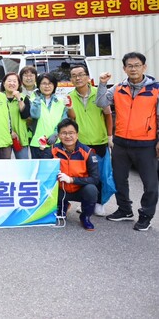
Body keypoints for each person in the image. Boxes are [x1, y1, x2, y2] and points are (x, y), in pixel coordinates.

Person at [96, 52, 159, 231]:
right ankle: (125, 210)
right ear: (124, 68)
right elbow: (100, 102)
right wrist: (102, 84)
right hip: (121, 143)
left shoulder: (155, 89)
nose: (133, 69)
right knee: (119, 179)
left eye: (137, 65)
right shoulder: (118, 88)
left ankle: (146, 216)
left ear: (144, 67)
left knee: (150, 184)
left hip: (146, 144)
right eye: (129, 66)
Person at [69, 63, 114, 216]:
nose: (78, 78)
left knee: (100, 175)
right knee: (83, 175)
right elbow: (70, 119)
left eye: (81, 74)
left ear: (88, 77)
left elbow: (108, 115)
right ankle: (86, 202)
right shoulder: (69, 97)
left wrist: (109, 136)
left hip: (99, 141)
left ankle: (100, 203)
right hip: (80, 143)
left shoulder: (99, 93)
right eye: (74, 76)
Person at [51, 118, 100, 231]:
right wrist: (42, 149)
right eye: (64, 133)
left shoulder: (88, 152)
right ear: (59, 135)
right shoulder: (53, 150)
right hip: (61, 190)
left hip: (80, 190)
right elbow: (42, 170)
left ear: (77, 135)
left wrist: (71, 180)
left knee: (92, 189)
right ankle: (62, 205)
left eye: (71, 133)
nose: (68, 136)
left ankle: (85, 216)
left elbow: (95, 179)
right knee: (47, 186)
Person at [30, 73, 74, 158]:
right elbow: (35, 115)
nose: (47, 86)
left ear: (54, 85)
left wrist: (56, 133)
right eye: (44, 83)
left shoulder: (61, 101)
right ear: (38, 85)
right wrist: (37, 99)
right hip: (37, 144)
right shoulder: (33, 101)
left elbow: (64, 121)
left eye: (50, 83)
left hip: (57, 143)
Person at [0, 72, 31, 159]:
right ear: (4, 83)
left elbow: (25, 115)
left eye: (14, 81)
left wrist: (19, 99)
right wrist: (10, 131)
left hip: (20, 138)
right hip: (3, 137)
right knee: (4, 164)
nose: (12, 83)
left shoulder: (24, 98)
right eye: (9, 81)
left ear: (18, 84)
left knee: (23, 164)